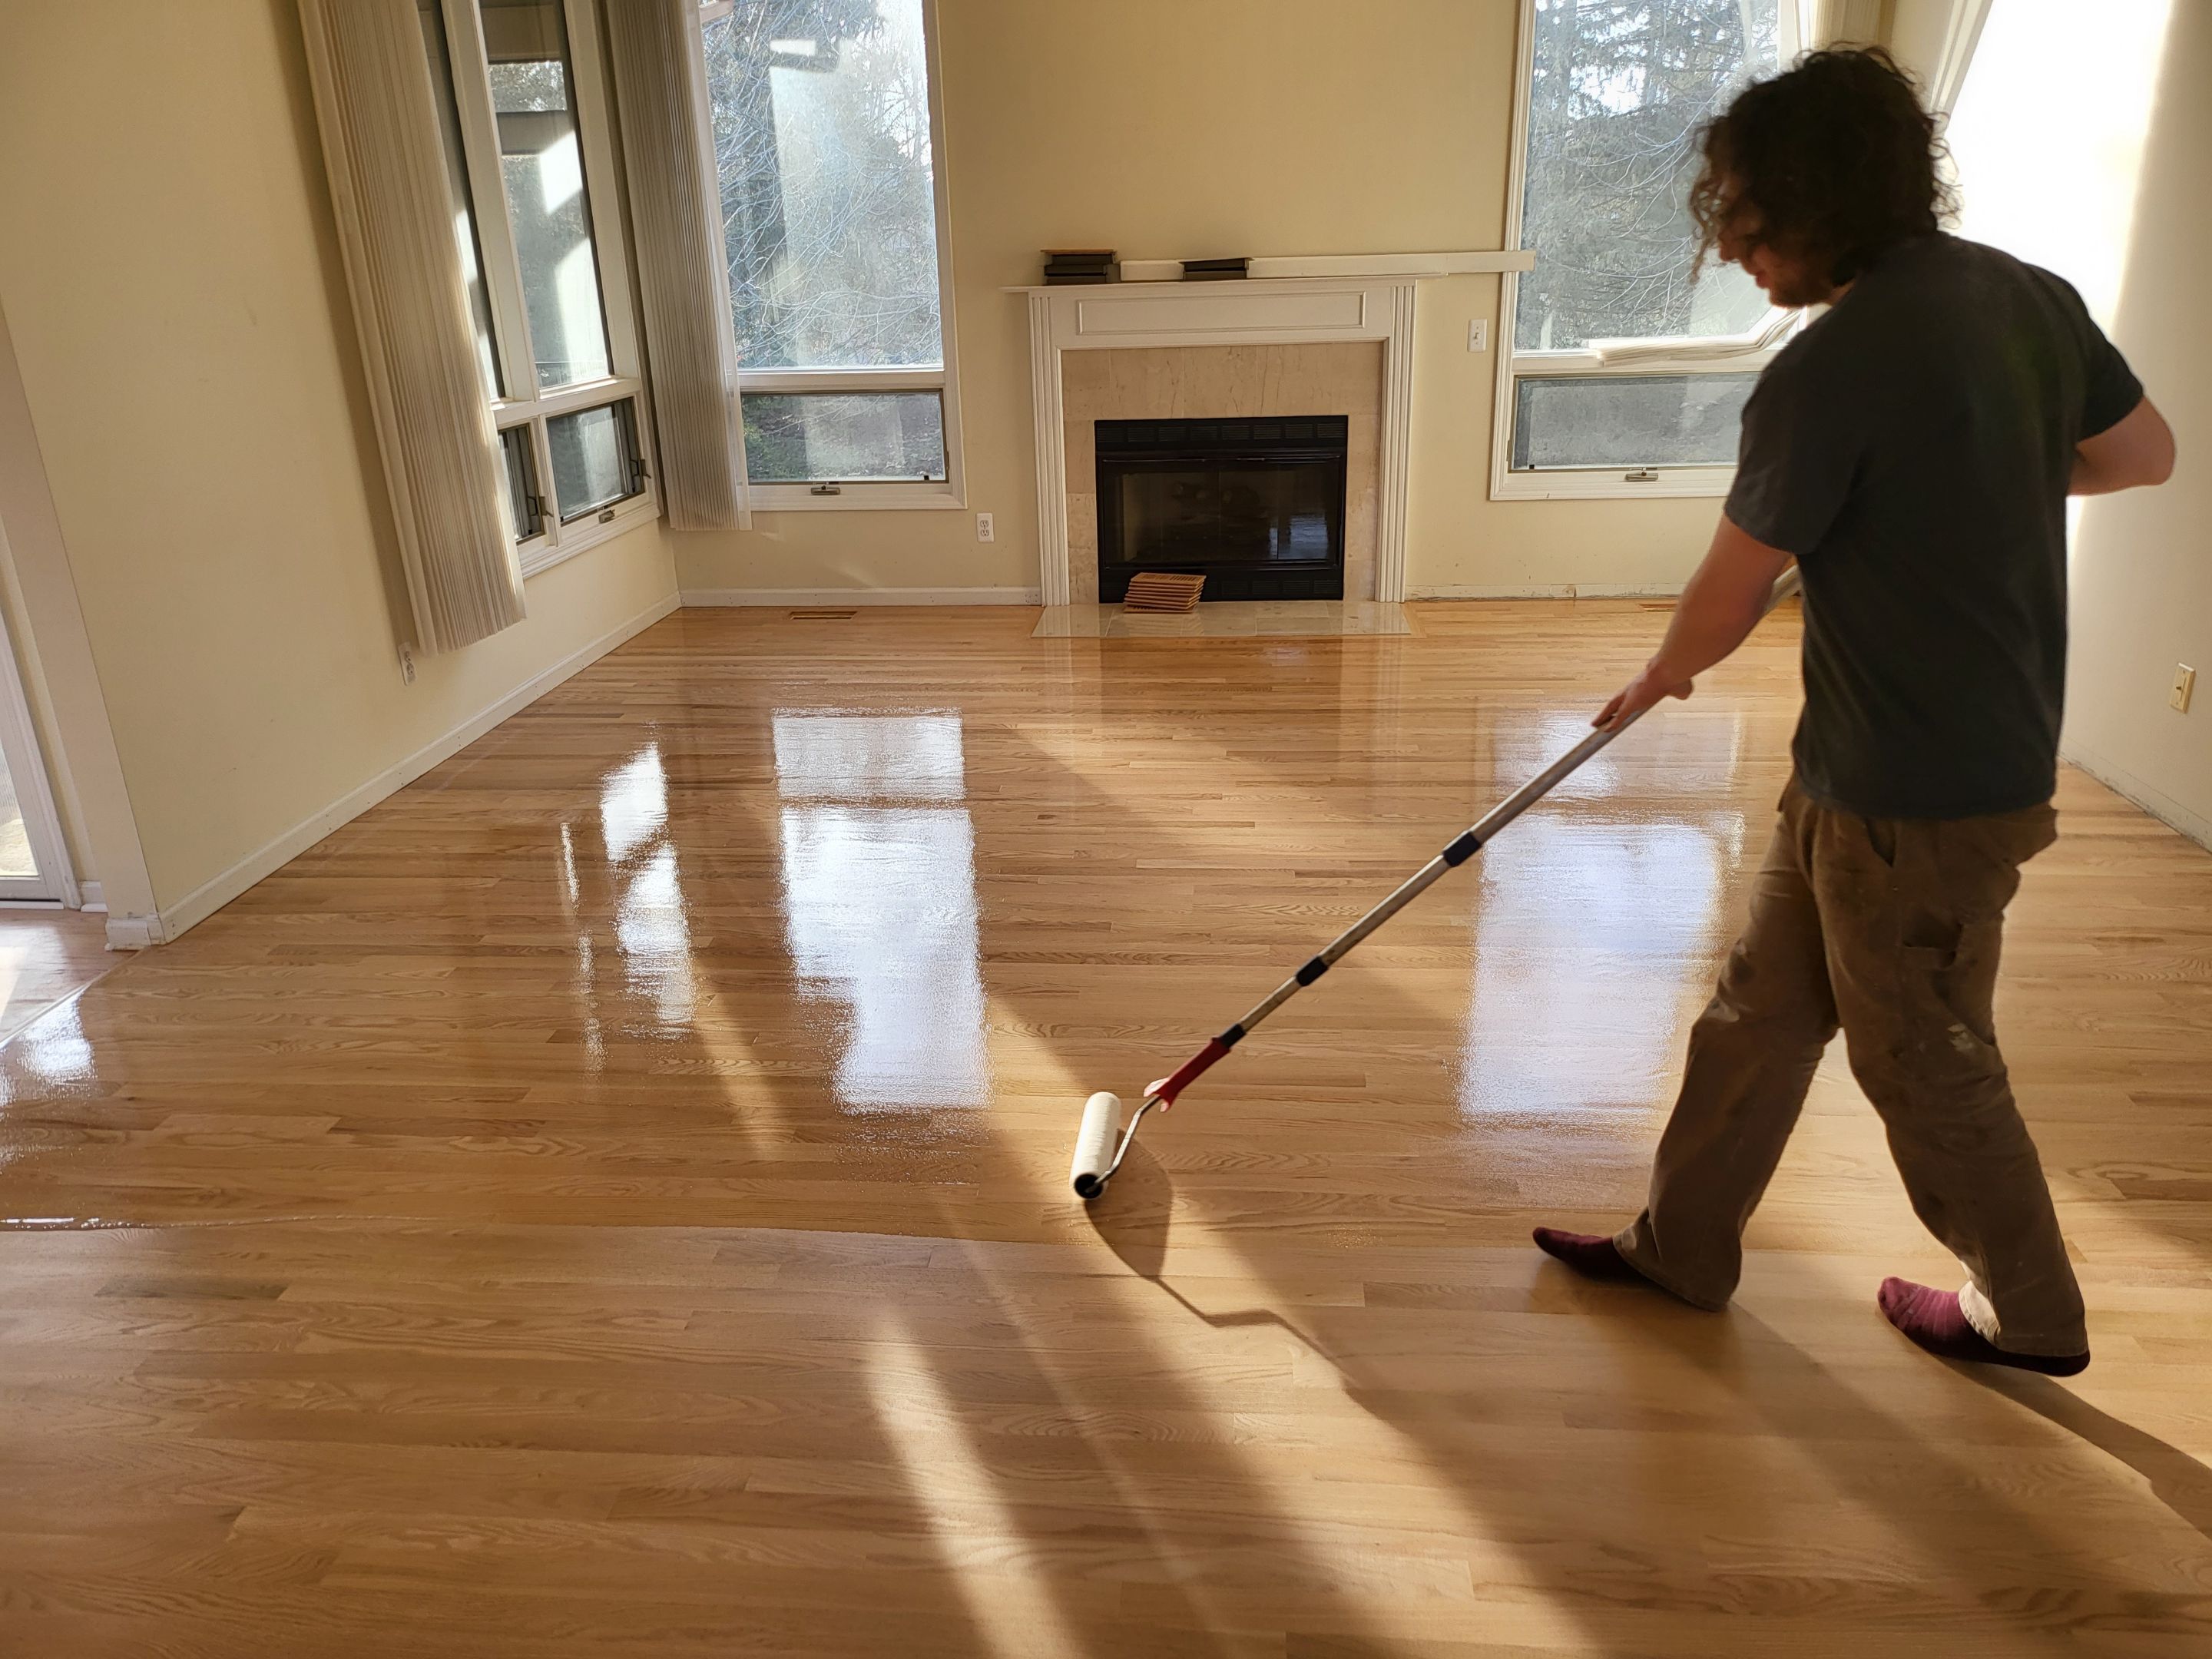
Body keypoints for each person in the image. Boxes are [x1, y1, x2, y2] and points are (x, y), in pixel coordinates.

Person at [1532, 48, 2176, 1376]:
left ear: (1821, 205)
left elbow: (1735, 581)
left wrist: (1662, 676)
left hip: (1921, 797)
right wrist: (1972, 480)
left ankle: (2034, 1318)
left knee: (1929, 1065)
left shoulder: (1833, 367)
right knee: (1757, 1016)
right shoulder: (2028, 297)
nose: (1744, 260)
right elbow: (2139, 453)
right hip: (1861, 770)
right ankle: (1681, 1248)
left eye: (1753, 229)